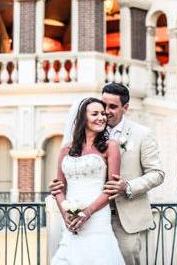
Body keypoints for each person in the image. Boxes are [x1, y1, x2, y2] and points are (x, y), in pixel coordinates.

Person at [51, 83, 165, 265]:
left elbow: (157, 173)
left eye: (112, 107)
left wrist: (127, 186)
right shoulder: (73, 145)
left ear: (125, 108)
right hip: (85, 215)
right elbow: (62, 181)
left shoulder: (142, 134)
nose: (106, 112)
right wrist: (62, 196)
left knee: (123, 258)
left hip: (124, 216)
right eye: (104, 105)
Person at [51, 97, 125, 264]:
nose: (102, 117)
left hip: (97, 217)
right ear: (83, 118)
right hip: (71, 220)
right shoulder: (65, 150)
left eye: (103, 114)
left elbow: (111, 189)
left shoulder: (111, 146)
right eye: (95, 114)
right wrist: (67, 216)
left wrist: (87, 213)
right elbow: (58, 188)